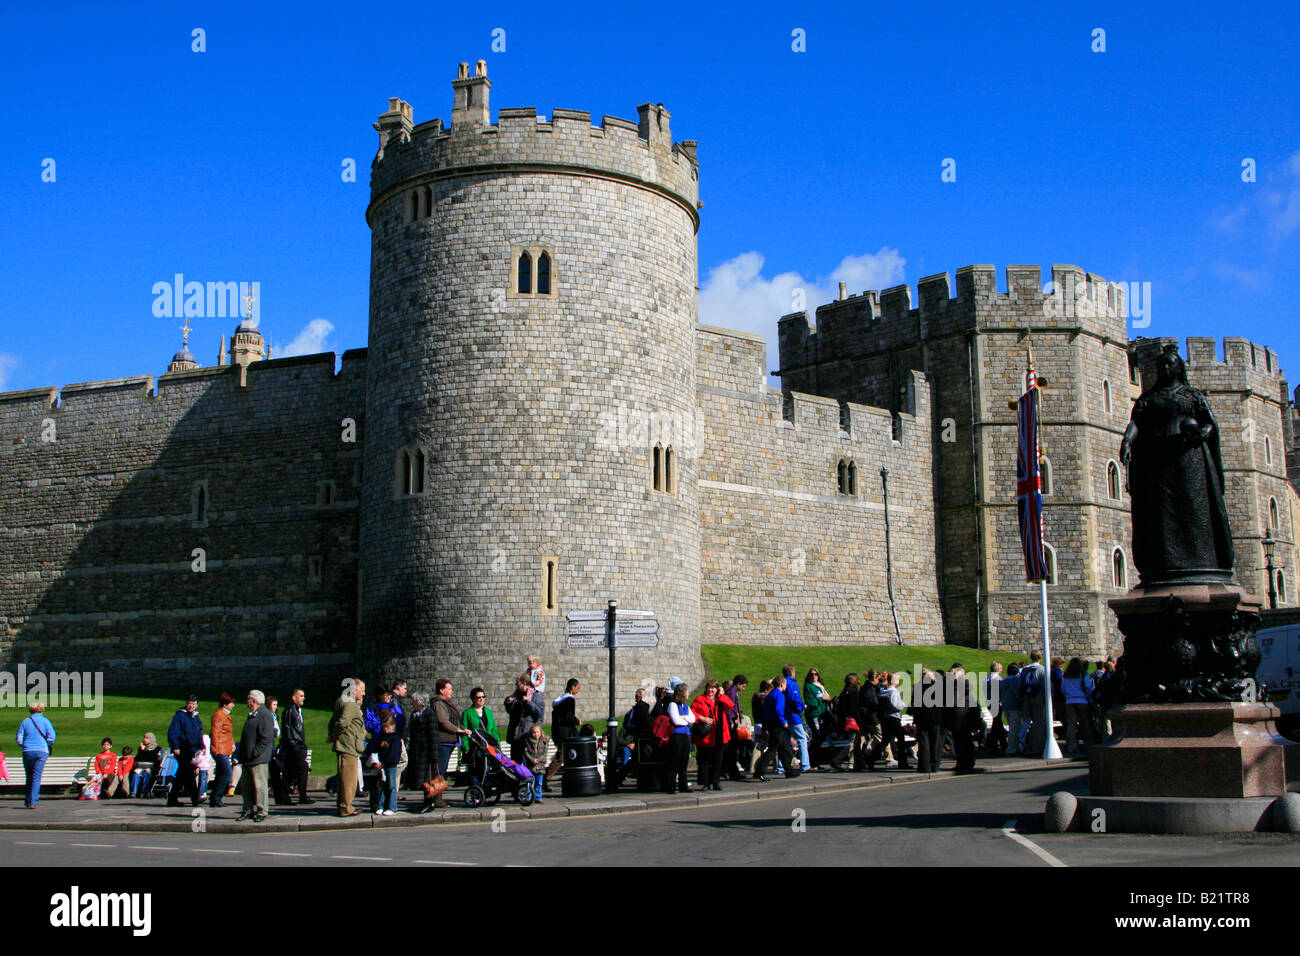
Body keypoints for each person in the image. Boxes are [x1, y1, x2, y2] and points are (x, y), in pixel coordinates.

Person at [328, 678, 367, 817]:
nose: (363, 694)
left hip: (344, 743)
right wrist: (334, 735)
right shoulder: (350, 703)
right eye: (362, 690)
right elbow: (342, 722)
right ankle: (346, 807)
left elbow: (334, 721)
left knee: (343, 777)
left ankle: (342, 805)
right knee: (349, 779)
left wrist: (333, 735)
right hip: (349, 744)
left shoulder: (341, 700)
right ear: (355, 690)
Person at [238, 690, 276, 822]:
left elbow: (266, 738)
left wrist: (255, 753)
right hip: (247, 758)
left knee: (260, 786)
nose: (246, 701)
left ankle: (262, 811)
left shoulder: (265, 714)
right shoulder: (252, 715)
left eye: (248, 699)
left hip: (258, 758)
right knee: (246, 786)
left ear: (253, 701)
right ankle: (247, 809)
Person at [691, 679, 733, 791]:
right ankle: (705, 783)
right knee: (705, 760)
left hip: (720, 733)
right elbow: (693, 712)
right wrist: (702, 718)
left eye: (713, 688)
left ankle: (716, 782)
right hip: (707, 734)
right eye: (709, 687)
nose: (711, 690)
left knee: (717, 760)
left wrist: (722, 694)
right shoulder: (700, 699)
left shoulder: (720, 699)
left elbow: (730, 705)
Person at [16, 700, 56, 809]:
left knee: (29, 776)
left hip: (28, 751)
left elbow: (19, 738)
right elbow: (51, 736)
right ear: (42, 710)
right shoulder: (46, 721)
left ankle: (28, 800)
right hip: (41, 751)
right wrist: (47, 744)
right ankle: (33, 801)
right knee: (36, 777)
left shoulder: (26, 721)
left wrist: (24, 745)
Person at [166, 695, 204, 807]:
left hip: (192, 749)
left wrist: (202, 746)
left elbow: (199, 733)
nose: (191, 706)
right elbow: (173, 732)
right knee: (188, 773)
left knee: (182, 774)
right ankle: (195, 798)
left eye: (193, 704)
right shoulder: (180, 716)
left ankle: (172, 798)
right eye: (190, 703)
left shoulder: (195, 718)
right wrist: (175, 746)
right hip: (182, 748)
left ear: (196, 705)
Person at [543, 678, 581, 790]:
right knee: (561, 756)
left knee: (564, 755)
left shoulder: (560, 700)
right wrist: (576, 721)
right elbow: (568, 717)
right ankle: (544, 778)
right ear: (572, 687)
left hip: (558, 732)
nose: (578, 691)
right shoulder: (570, 700)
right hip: (566, 733)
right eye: (577, 688)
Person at [944, 664, 981, 774]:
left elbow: (952, 704)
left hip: (957, 718)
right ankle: (969, 762)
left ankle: (962, 763)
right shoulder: (966, 686)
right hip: (966, 717)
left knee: (959, 743)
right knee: (966, 741)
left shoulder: (953, 688)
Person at [364, 712, 403, 815]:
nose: (386, 729)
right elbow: (377, 750)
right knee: (382, 786)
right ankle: (381, 806)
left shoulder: (395, 738)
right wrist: (376, 761)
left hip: (390, 766)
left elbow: (394, 754)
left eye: (388, 727)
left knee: (391, 786)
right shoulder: (382, 737)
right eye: (384, 727)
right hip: (381, 766)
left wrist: (385, 763)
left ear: (393, 726)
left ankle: (392, 807)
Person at [407, 692, 440, 812]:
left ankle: (429, 803)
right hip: (417, 752)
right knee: (422, 780)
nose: (412, 703)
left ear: (420, 702)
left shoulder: (429, 715)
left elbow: (433, 736)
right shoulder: (415, 714)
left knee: (428, 780)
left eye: (414, 701)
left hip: (426, 753)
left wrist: (434, 755)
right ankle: (426, 802)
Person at [432, 677, 470, 782]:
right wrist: (458, 730)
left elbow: (455, 720)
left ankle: (437, 794)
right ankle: (435, 795)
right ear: (441, 690)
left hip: (448, 741)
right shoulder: (439, 703)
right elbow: (443, 722)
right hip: (443, 742)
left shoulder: (446, 703)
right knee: (440, 771)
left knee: (442, 770)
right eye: (449, 689)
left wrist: (463, 729)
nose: (451, 691)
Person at [761, 674, 798, 779]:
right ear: (782, 684)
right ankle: (760, 771)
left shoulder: (770, 695)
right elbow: (778, 710)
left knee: (783, 748)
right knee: (773, 748)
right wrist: (783, 721)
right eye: (785, 684)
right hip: (777, 724)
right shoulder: (779, 695)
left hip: (770, 723)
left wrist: (764, 727)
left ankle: (788, 770)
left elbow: (765, 712)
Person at [460, 687, 498, 786]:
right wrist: (465, 746)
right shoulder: (467, 713)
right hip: (475, 745)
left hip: (487, 745)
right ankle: (476, 791)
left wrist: (496, 743)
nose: (481, 699)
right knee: (475, 769)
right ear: (473, 699)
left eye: (483, 697)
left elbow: (493, 730)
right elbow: (464, 731)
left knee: (487, 768)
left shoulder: (488, 712)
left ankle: (485, 790)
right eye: (478, 697)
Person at [503, 675, 544, 764]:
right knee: (515, 764)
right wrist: (508, 703)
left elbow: (540, 713)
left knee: (527, 764)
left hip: (527, 736)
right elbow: (511, 712)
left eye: (517, 683)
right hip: (515, 736)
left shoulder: (535, 697)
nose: (516, 685)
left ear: (524, 683)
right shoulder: (516, 696)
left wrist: (528, 703)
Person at [280, 689, 311, 804]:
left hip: (297, 745)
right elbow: (287, 729)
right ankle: (302, 796)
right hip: (293, 746)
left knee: (289, 770)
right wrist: (293, 744)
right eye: (301, 696)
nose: (303, 698)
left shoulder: (298, 711)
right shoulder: (289, 711)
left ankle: (284, 796)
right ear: (294, 698)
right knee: (303, 768)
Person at [665, 682, 696, 793]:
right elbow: (675, 720)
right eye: (687, 693)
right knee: (674, 762)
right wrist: (685, 720)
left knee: (684, 762)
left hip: (686, 736)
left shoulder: (686, 706)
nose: (688, 695)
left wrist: (684, 717)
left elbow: (693, 719)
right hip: (676, 736)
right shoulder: (673, 705)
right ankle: (671, 786)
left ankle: (683, 786)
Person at [1062, 658, 1098, 755]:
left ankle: (1071, 745)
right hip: (1082, 700)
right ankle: (1088, 744)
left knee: (1071, 725)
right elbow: (1089, 688)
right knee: (1084, 723)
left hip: (1069, 701)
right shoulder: (1083, 675)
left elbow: (1063, 689)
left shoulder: (1066, 676)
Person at [912, 669, 942, 773]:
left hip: (921, 717)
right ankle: (935, 764)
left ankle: (924, 766)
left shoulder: (917, 687)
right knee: (935, 742)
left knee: (924, 742)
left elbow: (914, 705)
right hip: (935, 718)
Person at [878, 672, 909, 769]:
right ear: (895, 682)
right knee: (901, 739)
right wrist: (903, 705)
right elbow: (896, 705)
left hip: (887, 717)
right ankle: (903, 762)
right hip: (894, 718)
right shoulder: (894, 691)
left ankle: (870, 758)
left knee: (886, 740)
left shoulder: (885, 691)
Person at [781, 665, 809, 771]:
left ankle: (782, 766)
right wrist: (802, 706)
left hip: (784, 716)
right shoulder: (792, 684)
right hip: (793, 716)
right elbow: (794, 700)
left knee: (786, 741)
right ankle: (805, 765)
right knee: (802, 739)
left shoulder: (782, 684)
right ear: (792, 673)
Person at [209, 693, 235, 808]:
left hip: (225, 748)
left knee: (220, 773)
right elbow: (215, 732)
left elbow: (227, 733)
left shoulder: (224, 715)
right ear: (225, 705)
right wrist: (216, 748)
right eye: (231, 703)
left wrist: (232, 743)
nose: (233, 705)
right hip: (220, 749)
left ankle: (214, 798)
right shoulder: (219, 715)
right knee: (227, 772)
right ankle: (217, 796)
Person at [1020, 650, 1048, 755]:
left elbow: (1020, 684)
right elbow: (1045, 685)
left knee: (1028, 721)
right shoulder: (1042, 669)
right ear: (1040, 658)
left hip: (1027, 697)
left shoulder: (1025, 670)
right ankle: (1038, 746)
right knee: (1039, 722)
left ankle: (1030, 744)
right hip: (1038, 697)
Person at [723, 675, 749, 781]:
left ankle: (732, 771)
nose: (744, 689)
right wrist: (731, 721)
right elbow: (729, 708)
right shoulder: (732, 693)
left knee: (732, 749)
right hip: (731, 723)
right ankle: (732, 772)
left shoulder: (733, 692)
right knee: (732, 749)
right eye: (743, 686)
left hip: (733, 720)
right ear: (738, 684)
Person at [838, 674, 864, 770]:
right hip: (852, 720)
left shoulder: (844, 691)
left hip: (846, 719)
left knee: (855, 741)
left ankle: (857, 763)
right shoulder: (853, 692)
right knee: (854, 741)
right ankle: (838, 760)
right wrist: (860, 722)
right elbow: (854, 709)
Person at [858, 669, 882, 769]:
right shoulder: (870, 689)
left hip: (865, 717)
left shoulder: (865, 687)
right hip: (872, 717)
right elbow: (873, 703)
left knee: (866, 737)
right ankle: (866, 755)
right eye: (878, 679)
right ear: (875, 678)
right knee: (879, 735)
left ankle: (868, 760)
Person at [803, 668, 832, 749]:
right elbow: (810, 702)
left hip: (822, 714)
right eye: (811, 674)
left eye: (816, 674)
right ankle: (811, 755)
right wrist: (822, 698)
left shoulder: (820, 686)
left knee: (822, 735)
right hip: (814, 715)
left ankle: (815, 755)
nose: (814, 676)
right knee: (818, 736)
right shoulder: (808, 686)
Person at [1000, 664, 1025, 756]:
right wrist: (1021, 702)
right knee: (1014, 728)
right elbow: (1017, 693)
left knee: (1012, 727)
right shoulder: (1015, 680)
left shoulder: (1003, 680)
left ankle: (1015, 747)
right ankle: (1011, 748)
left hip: (1005, 705)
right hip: (1014, 706)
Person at [983, 663, 1007, 756]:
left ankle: (1000, 744)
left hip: (989, 703)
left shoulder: (986, 679)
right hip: (996, 703)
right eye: (1001, 668)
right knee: (997, 723)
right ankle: (994, 745)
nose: (1002, 669)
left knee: (997, 724)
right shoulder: (998, 679)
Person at [523, 723, 549, 803]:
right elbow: (526, 752)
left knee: (539, 783)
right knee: (531, 783)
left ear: (540, 732)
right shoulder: (528, 741)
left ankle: (538, 797)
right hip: (531, 765)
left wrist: (538, 759)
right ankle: (529, 797)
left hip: (540, 765)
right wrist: (532, 760)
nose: (536, 734)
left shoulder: (544, 741)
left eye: (537, 732)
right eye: (534, 732)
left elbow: (545, 753)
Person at [131, 732, 162, 797]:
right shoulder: (141, 748)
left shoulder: (157, 749)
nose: (144, 739)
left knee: (146, 773)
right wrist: (142, 750)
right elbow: (139, 758)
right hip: (141, 766)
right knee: (136, 774)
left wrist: (144, 751)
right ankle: (133, 792)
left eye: (147, 738)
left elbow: (152, 758)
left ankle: (144, 791)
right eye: (144, 738)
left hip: (151, 767)